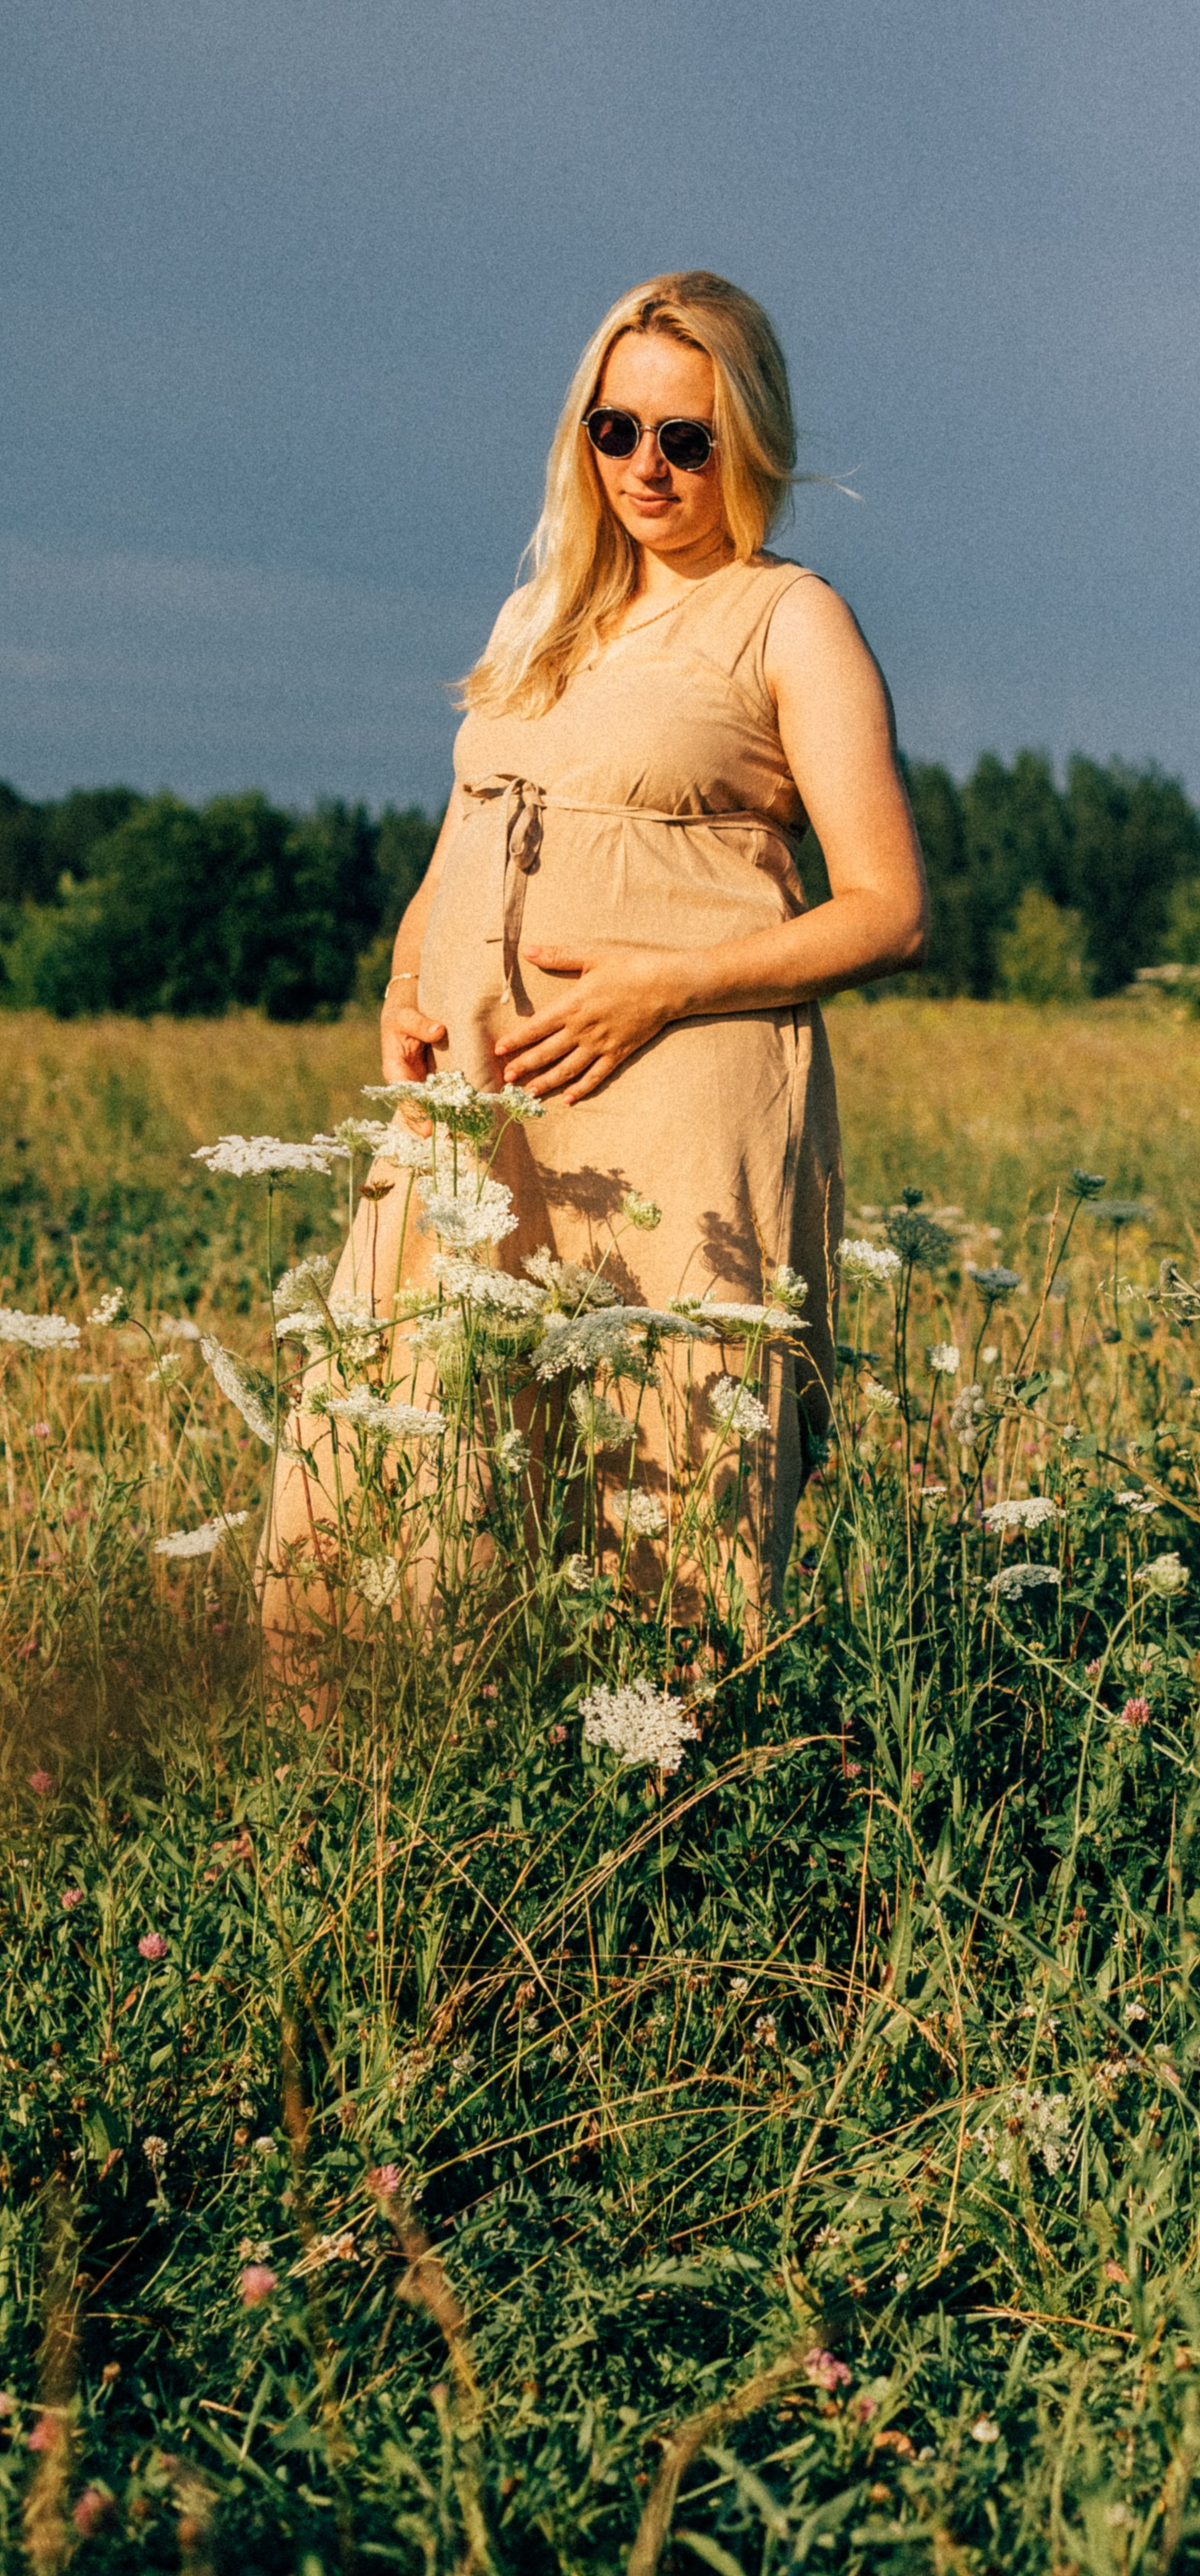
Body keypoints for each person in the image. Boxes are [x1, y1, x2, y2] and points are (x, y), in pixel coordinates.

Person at [261, 270, 926, 1654]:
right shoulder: (539, 619)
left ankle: (674, 1837)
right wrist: (407, 979)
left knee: (667, 1491)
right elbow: (472, 820)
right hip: (484, 1096)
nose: (647, 467)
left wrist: (661, 986)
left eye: (686, 438)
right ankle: (389, 1793)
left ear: (749, 441)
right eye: (615, 431)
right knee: (388, 1457)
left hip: (678, 1091)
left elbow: (888, 908)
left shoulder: (787, 618)